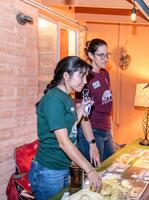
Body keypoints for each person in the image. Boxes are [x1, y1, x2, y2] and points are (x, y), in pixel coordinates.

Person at [28, 56, 102, 199]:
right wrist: (89, 170)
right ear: (66, 76)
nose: (85, 81)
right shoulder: (54, 99)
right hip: (49, 170)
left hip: (62, 166)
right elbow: (63, 142)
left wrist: (82, 109)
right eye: (81, 76)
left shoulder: (66, 97)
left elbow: (71, 127)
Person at [75, 38, 115, 164]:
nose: (106, 59)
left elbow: (107, 104)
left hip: (105, 130)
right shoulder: (84, 77)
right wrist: (92, 144)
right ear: (91, 55)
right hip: (92, 131)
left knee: (110, 166)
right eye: (101, 55)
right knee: (94, 173)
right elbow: (82, 113)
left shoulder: (105, 74)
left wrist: (111, 130)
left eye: (107, 54)